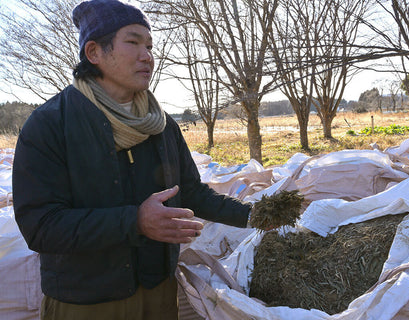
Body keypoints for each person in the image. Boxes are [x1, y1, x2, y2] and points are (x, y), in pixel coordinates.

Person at [12, 0, 252, 319]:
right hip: (87, 303)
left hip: (158, 295)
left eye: (150, 46)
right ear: (94, 52)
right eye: (133, 42)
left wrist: (256, 216)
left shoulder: (160, 124)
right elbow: (40, 226)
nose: (147, 56)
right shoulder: (51, 124)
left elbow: (192, 193)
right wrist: (134, 222)